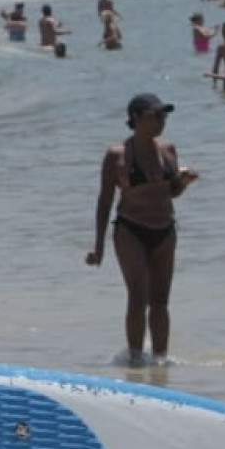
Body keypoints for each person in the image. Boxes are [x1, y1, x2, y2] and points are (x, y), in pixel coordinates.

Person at [86, 94, 197, 367]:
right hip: (130, 229)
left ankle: (160, 361)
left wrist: (182, 182)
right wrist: (98, 245)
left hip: (165, 230)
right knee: (138, 296)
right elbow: (105, 200)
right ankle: (135, 360)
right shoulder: (117, 155)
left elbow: (171, 193)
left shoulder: (168, 149)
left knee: (160, 302)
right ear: (136, 118)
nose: (161, 121)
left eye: (164, 115)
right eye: (155, 115)